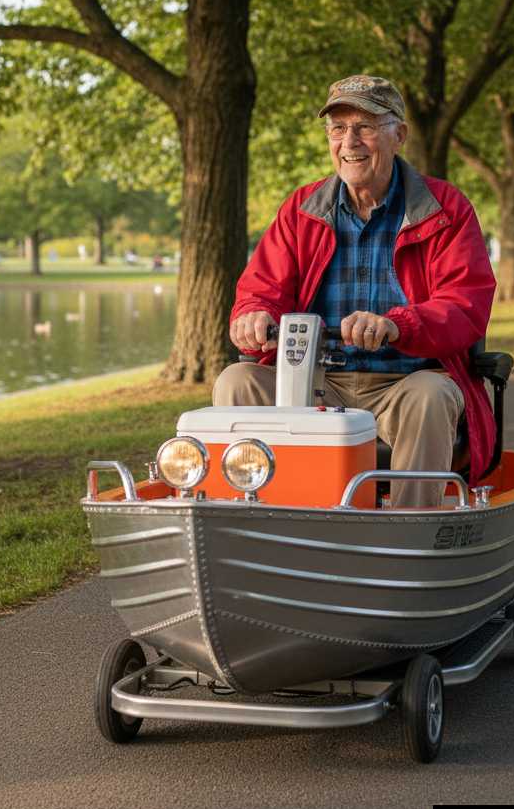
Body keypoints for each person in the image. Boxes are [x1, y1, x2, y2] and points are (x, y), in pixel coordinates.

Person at [213, 74, 497, 508]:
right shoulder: (300, 210)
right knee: (237, 381)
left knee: (431, 395)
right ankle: (257, 519)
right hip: (316, 383)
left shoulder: (446, 209)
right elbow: (261, 288)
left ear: (399, 135)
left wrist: (397, 325)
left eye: (365, 126)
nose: (350, 141)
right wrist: (254, 313)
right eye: (338, 128)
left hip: (404, 383)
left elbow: (465, 305)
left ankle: (408, 532)